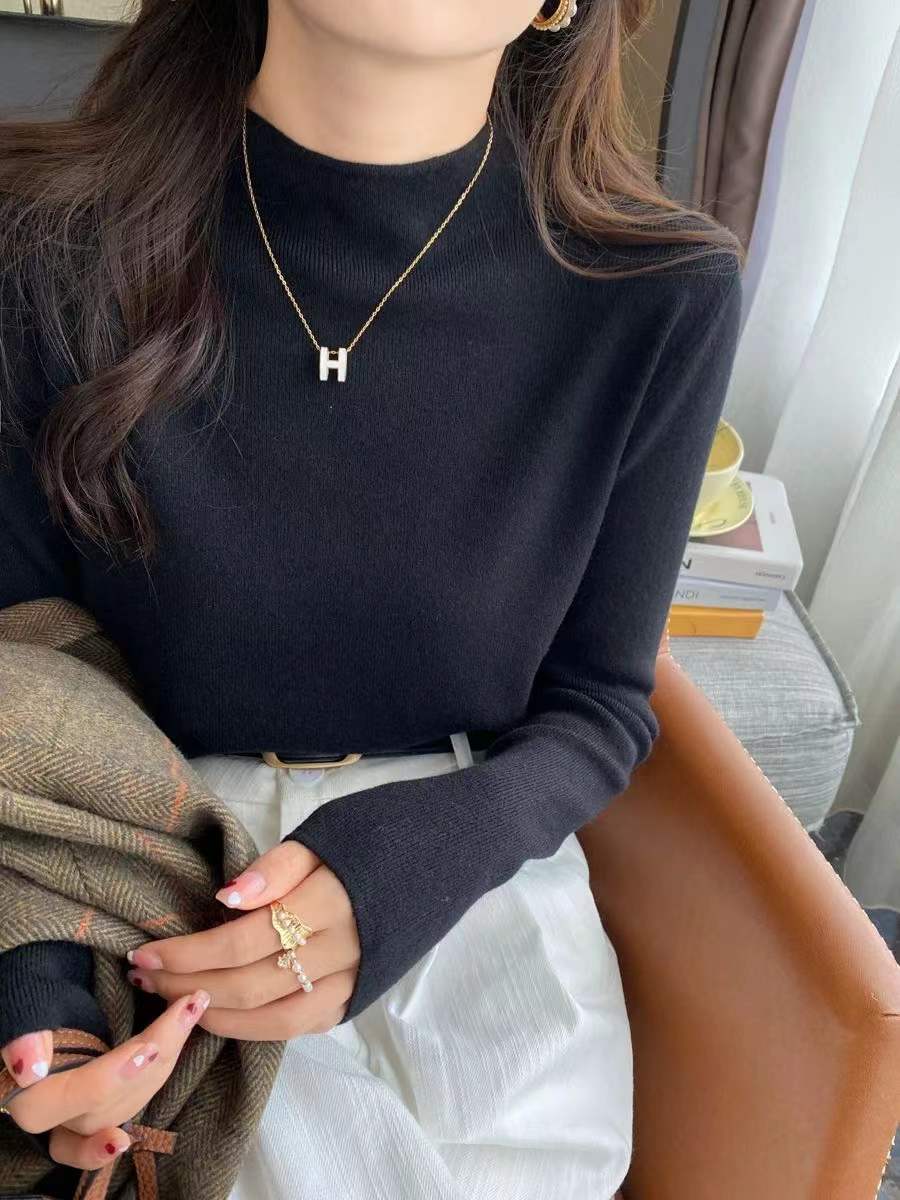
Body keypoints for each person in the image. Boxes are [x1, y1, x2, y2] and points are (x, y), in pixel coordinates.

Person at [0, 1, 745, 1197]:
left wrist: (429, 856)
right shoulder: (41, 240)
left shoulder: (657, 292)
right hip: (113, 865)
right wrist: (37, 989)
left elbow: (601, 703)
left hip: (478, 902)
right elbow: (21, 666)